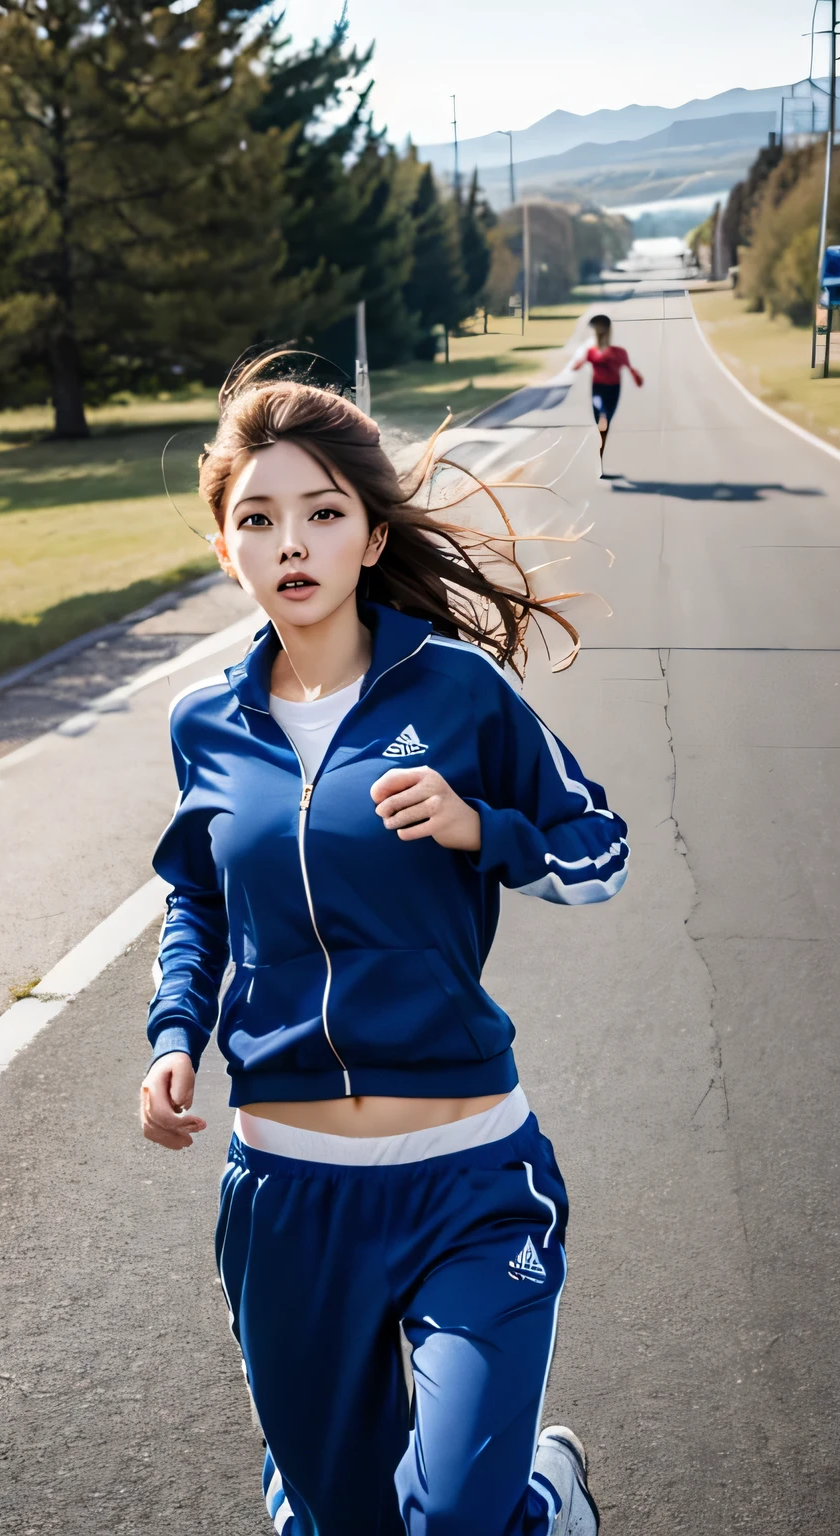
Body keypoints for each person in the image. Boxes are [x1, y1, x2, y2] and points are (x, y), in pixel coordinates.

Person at [139, 355, 629, 1536]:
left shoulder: (457, 692)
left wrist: (482, 829)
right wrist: (172, 1036)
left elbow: (598, 850)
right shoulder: (203, 723)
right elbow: (197, 901)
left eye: (321, 512)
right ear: (227, 549)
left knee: (460, 1513)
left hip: (467, 1173)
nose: (289, 542)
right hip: (287, 1193)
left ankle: (543, 1497)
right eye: (257, 519)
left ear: (367, 536)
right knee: (345, 1520)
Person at [571, 314, 643, 467]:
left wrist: (636, 377)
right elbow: (578, 365)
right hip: (599, 388)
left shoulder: (617, 352)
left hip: (612, 390)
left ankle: (601, 455)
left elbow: (630, 369)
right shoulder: (593, 352)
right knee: (602, 419)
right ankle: (600, 455)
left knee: (604, 420)